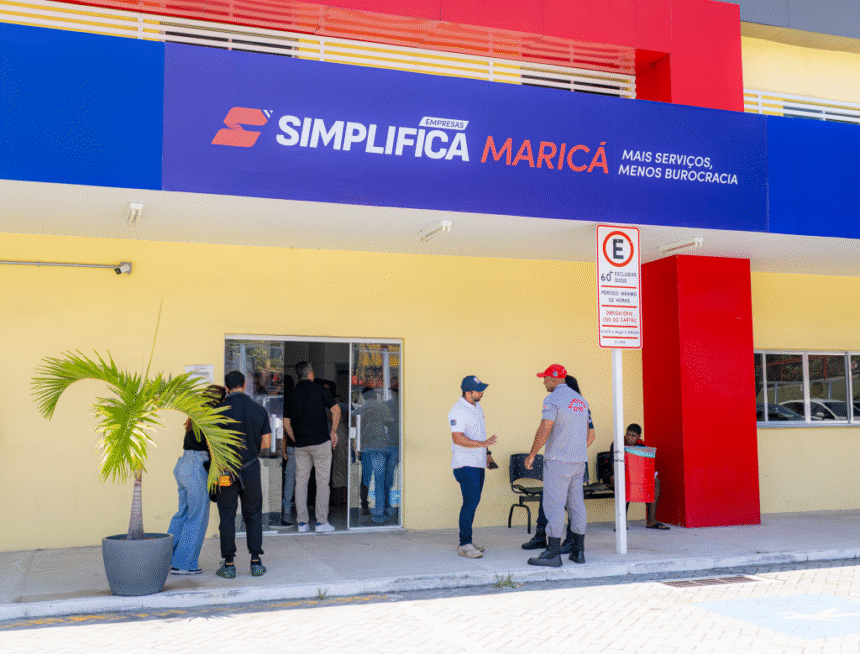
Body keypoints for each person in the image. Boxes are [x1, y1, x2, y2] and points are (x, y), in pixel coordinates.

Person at [525, 364, 594, 567]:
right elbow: (590, 433)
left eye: (545, 378)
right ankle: (578, 551)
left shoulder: (553, 399)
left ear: (554, 379)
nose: (543, 382)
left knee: (554, 506)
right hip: (578, 462)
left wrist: (532, 454)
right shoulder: (581, 401)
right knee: (576, 505)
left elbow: (545, 428)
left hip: (558, 461)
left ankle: (553, 553)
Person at [215, 371, 271, 578]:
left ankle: (229, 564)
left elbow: (212, 444)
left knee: (227, 516)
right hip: (251, 468)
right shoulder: (259, 409)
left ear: (226, 387)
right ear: (245, 385)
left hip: (225, 470)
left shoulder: (218, 410)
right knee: (253, 514)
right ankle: (256, 562)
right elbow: (266, 443)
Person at [167, 384, 226, 575]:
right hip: (196, 467)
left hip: (183, 464)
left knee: (182, 514)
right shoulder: (210, 418)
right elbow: (213, 449)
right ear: (219, 401)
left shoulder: (196, 415)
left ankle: (167, 559)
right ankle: (184, 565)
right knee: (197, 518)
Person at [284, 361, 340, 533]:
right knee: (322, 482)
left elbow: (286, 423)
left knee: (301, 482)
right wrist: (333, 432)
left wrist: (295, 438)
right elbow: (336, 410)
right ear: (310, 373)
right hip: (321, 442)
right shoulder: (320, 389)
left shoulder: (291, 394)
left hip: (301, 445)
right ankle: (321, 523)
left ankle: (302, 523)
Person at [449, 375, 497, 559]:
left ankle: (467, 541)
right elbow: (457, 438)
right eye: (479, 390)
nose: (482, 392)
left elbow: (479, 433)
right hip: (465, 464)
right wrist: (482, 444)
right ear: (468, 393)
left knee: (473, 502)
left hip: (478, 463)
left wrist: (487, 454)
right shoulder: (458, 411)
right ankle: (465, 545)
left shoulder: (477, 406)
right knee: (470, 502)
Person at [609, 423, 669, 530]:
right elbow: (614, 464)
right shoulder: (617, 443)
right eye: (628, 434)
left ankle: (651, 520)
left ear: (638, 437)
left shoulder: (641, 445)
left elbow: (645, 465)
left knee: (656, 482)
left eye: (633, 436)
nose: (630, 438)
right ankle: (622, 523)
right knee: (623, 482)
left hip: (636, 475)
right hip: (620, 474)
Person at [356, 384, 397, 523]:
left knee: (365, 479)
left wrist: (357, 445)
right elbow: (390, 426)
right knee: (379, 480)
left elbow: (354, 423)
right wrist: (394, 441)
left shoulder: (361, 408)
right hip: (379, 447)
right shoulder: (382, 407)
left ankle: (364, 506)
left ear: (363, 397)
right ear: (375, 395)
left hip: (365, 447)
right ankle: (379, 512)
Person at [280, 375, 296, 526]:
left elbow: (284, 427)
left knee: (289, 478)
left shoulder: (282, 400)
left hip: (289, 445)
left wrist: (283, 448)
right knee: (302, 479)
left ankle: (286, 508)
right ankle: (301, 510)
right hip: (299, 444)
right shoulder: (296, 398)